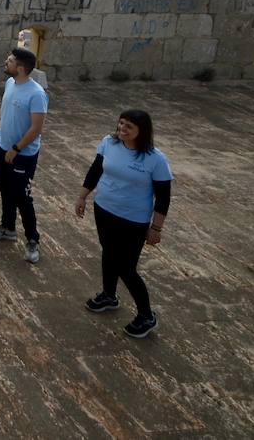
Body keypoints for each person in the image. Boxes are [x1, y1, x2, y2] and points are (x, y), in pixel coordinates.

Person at [74, 109, 172, 339]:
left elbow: (164, 197)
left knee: (126, 269)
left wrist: (155, 228)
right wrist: (82, 196)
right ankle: (109, 295)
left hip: (133, 221)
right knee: (108, 255)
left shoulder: (155, 159)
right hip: (104, 210)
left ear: (142, 131)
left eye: (128, 126)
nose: (122, 129)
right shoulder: (109, 143)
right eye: (120, 124)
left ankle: (147, 316)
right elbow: (95, 169)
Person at [0, 47, 47, 263]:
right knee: (5, 189)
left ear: (20, 68)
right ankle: (8, 228)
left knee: (22, 197)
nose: (5, 62)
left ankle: (32, 240)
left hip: (22, 154)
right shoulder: (10, 83)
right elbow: (5, 108)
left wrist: (16, 149)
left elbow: (36, 128)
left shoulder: (36, 94)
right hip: (3, 147)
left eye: (9, 60)